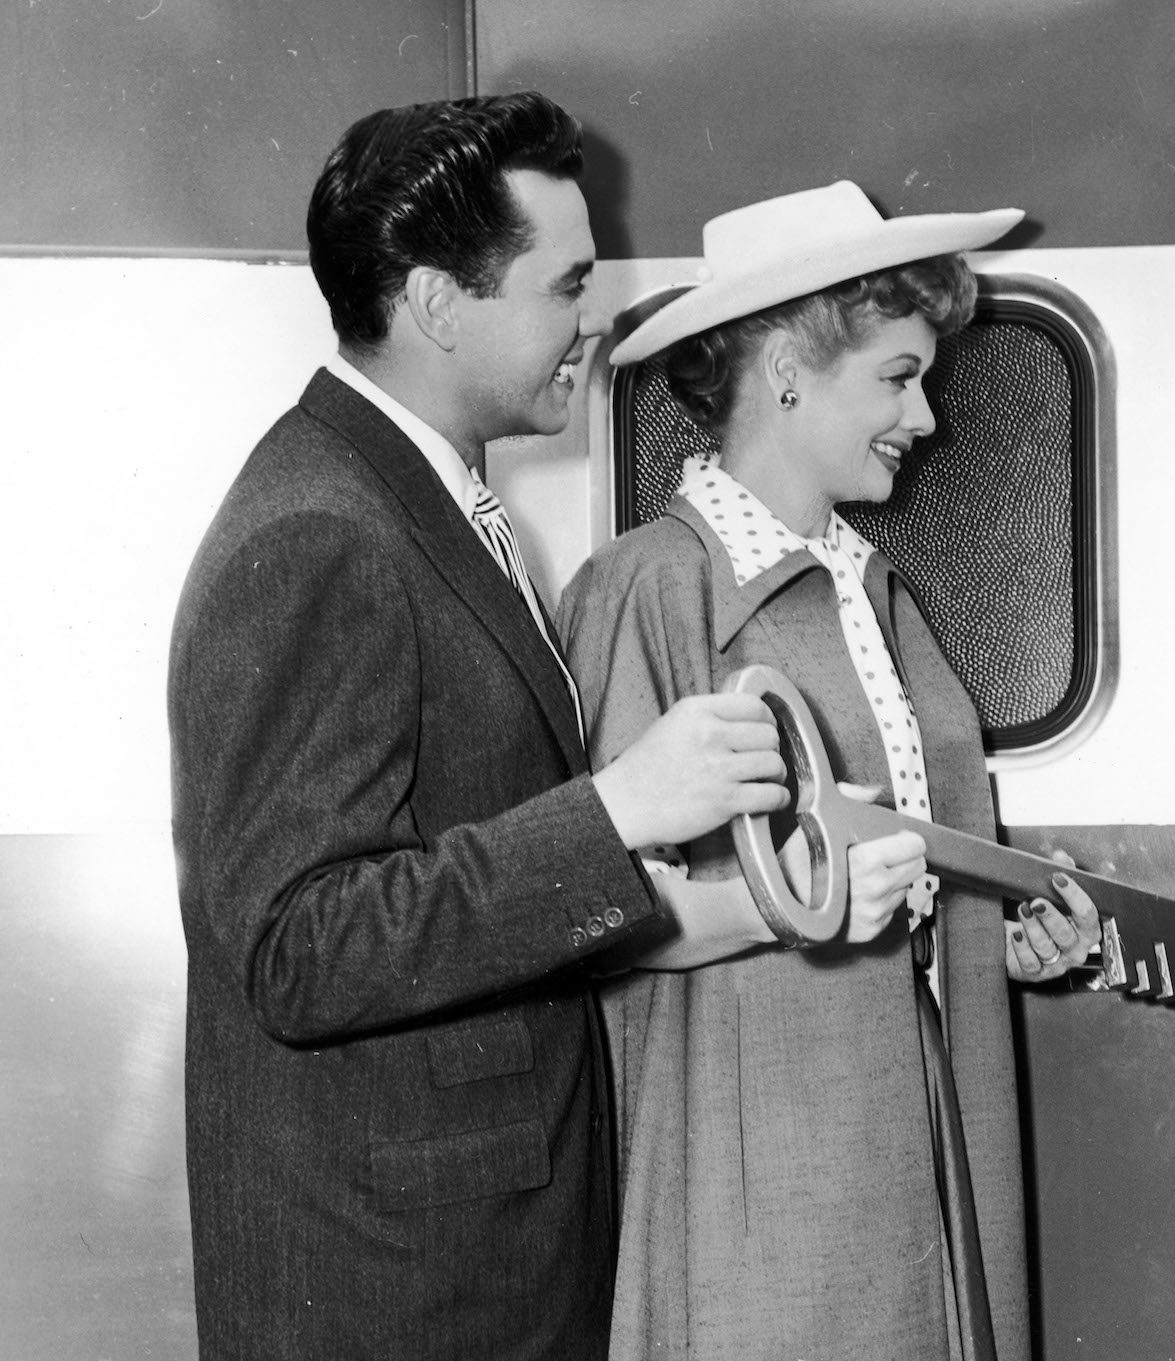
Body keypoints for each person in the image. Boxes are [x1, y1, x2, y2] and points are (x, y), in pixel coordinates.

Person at [167, 93, 788, 1361]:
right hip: (400, 1295)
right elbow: (298, 946)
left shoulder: (420, 506)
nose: (590, 319)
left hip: (465, 1261)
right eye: (562, 286)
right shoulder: (319, 534)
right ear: (440, 304)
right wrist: (616, 810)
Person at [555, 181, 1100, 1361]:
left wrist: (995, 926)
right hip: (755, 1172)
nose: (926, 417)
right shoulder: (652, 590)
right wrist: (793, 902)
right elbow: (590, 911)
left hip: (912, 1137)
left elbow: (896, 873)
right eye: (898, 377)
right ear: (789, 368)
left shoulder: (875, 592)